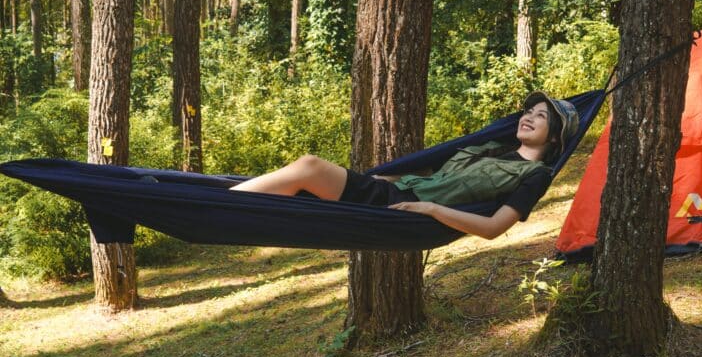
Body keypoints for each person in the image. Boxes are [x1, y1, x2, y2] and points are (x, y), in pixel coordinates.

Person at [231, 91, 579, 240]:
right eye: (528, 112)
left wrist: (429, 209)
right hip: (392, 190)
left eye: (541, 116)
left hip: (398, 209)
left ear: (555, 137)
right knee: (299, 182)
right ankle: (217, 200)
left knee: (309, 168)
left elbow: (492, 228)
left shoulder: (534, 175)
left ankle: (225, 205)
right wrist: (393, 175)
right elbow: (433, 171)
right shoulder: (491, 147)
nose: (528, 117)